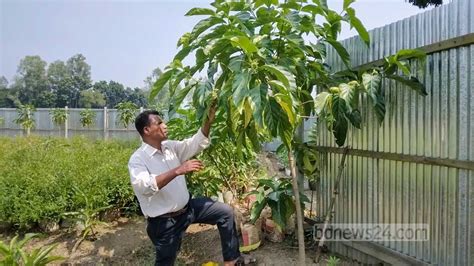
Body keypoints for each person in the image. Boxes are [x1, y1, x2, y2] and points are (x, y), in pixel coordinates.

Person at [128, 107, 255, 266]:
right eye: (159, 123)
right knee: (166, 261)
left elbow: (195, 143)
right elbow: (144, 187)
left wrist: (208, 119)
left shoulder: (170, 147)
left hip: (188, 210)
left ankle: (231, 260)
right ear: (147, 130)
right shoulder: (138, 159)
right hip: (164, 222)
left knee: (225, 212)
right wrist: (178, 170)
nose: (165, 125)